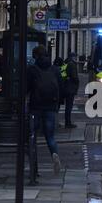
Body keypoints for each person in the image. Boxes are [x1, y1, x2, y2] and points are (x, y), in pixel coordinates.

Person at [27, 45, 65, 175]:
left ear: (36, 56)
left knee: (33, 137)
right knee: (50, 137)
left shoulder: (32, 70)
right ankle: (54, 154)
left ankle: (34, 168)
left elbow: (26, 88)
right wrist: (58, 104)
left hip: (35, 107)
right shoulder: (54, 69)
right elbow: (61, 87)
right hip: (50, 107)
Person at [60, 52, 80, 128]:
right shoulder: (72, 64)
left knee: (67, 106)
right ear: (72, 57)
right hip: (70, 88)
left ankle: (67, 122)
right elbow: (74, 76)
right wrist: (77, 81)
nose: (76, 58)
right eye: (75, 57)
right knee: (69, 106)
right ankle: (68, 123)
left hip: (65, 87)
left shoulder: (66, 63)